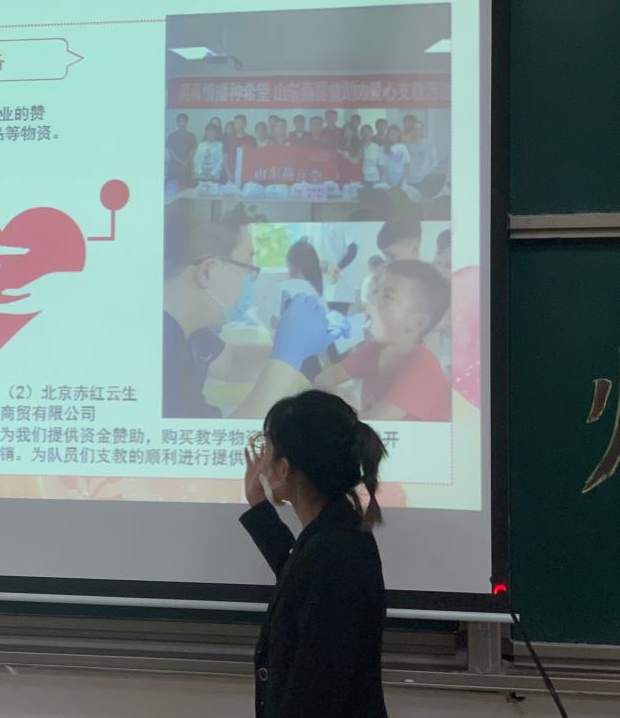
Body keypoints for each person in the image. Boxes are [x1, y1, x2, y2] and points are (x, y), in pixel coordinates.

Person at [241, 390, 388, 718]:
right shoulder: (333, 534)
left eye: (267, 451)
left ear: (284, 469)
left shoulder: (338, 552)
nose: (263, 463)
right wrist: (259, 507)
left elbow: (317, 689)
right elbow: (297, 576)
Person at [162, 207, 335, 419]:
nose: (251, 279)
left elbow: (232, 361)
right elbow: (227, 434)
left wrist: (294, 348)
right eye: (248, 266)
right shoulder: (161, 352)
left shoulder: (192, 333)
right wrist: (289, 355)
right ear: (208, 271)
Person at [315, 260, 451, 421]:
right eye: (375, 291)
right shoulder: (372, 351)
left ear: (418, 323)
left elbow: (375, 422)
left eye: (388, 297)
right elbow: (322, 379)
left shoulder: (424, 364)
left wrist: (337, 405)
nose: (370, 299)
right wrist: (334, 393)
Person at [224, 113, 258, 181]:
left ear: (245, 124)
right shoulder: (228, 139)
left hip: (247, 175)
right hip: (231, 175)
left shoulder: (251, 139)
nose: (238, 125)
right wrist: (228, 174)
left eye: (241, 123)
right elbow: (225, 158)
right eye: (236, 123)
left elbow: (255, 159)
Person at [166, 113, 197, 187]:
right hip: (174, 167)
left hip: (187, 168)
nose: (182, 123)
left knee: (187, 189)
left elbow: (192, 152)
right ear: (177, 123)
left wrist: (185, 163)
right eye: (180, 121)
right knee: (173, 189)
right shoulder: (171, 136)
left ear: (187, 123)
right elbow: (171, 153)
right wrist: (182, 163)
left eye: (184, 121)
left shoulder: (192, 136)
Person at [405, 121, 439, 188]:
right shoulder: (406, 144)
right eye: (414, 129)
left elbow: (434, 161)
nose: (416, 131)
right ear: (412, 130)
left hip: (423, 179)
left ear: (422, 130)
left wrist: (427, 172)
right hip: (408, 179)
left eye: (419, 129)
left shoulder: (428, 144)